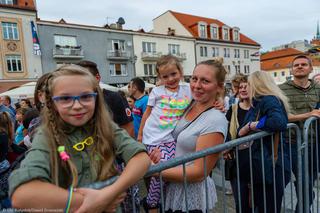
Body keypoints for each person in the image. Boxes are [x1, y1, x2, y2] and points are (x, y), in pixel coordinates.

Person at [9, 65, 150, 212]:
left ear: (96, 97)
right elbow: (21, 193)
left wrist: (109, 193)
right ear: (52, 103)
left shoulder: (104, 126)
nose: (77, 105)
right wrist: (89, 202)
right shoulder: (46, 136)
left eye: (85, 96)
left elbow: (140, 158)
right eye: (65, 98)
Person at [158, 59, 228, 213]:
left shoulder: (215, 120)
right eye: (194, 79)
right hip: (173, 186)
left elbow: (199, 172)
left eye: (205, 81)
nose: (196, 85)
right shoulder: (189, 103)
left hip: (190, 194)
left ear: (219, 87)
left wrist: (154, 170)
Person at [138, 55, 192, 211]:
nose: (170, 79)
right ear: (160, 77)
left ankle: (156, 202)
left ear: (180, 71)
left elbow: (204, 99)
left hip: (171, 138)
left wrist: (218, 102)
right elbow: (147, 114)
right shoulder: (157, 91)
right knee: (161, 170)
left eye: (173, 74)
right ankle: (152, 202)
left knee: (169, 171)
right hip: (153, 138)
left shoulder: (188, 89)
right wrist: (140, 135)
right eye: (165, 76)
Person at [238, 71, 290, 213]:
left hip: (270, 164)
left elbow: (279, 122)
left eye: (248, 83)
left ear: (257, 84)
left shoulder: (268, 99)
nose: (246, 87)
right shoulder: (259, 101)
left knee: (268, 206)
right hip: (264, 164)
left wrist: (251, 126)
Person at [279, 54, 320, 212]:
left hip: (313, 143)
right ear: (291, 69)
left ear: (310, 68)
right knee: (300, 182)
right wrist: (307, 115)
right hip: (290, 143)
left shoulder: (318, 88)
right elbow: (280, 116)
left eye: (303, 64)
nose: (300, 67)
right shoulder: (282, 89)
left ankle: (303, 207)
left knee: (308, 182)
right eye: (296, 65)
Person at [77, 60, 134, 138]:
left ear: (97, 78)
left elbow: (128, 128)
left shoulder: (115, 98)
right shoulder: (74, 101)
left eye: (84, 78)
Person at [224, 75, 251, 212]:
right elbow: (226, 130)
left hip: (255, 160)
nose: (243, 89)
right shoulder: (233, 109)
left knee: (256, 201)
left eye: (246, 86)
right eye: (240, 87)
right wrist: (227, 148)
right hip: (236, 160)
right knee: (241, 202)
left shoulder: (258, 108)